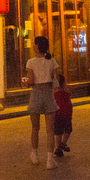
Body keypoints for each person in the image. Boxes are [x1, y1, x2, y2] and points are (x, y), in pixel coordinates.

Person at [22, 35, 59, 169]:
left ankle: (35, 154)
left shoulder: (30, 62)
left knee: (35, 128)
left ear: (38, 46)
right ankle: (50, 159)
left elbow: (31, 81)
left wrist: (25, 82)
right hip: (48, 95)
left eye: (34, 44)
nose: (33, 46)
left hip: (36, 95)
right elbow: (56, 79)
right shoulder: (52, 61)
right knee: (50, 130)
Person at [53, 73, 73, 157]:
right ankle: (63, 144)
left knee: (58, 132)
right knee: (68, 129)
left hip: (57, 114)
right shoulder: (66, 92)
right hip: (66, 114)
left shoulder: (54, 93)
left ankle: (58, 148)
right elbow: (69, 102)